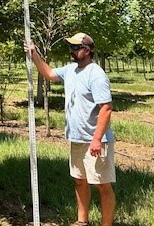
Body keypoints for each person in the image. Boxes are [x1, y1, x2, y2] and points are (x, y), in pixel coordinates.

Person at [24, 32, 116, 226]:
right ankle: (82, 221)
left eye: (75, 47)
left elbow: (106, 109)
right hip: (77, 138)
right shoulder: (71, 70)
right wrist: (34, 54)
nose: (71, 51)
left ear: (87, 50)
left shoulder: (96, 74)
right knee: (79, 180)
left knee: (102, 185)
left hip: (95, 140)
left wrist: (97, 139)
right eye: (71, 47)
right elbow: (48, 74)